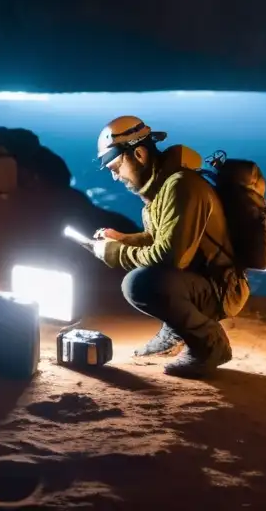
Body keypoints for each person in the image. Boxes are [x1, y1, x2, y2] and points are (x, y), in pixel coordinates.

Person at [85, 115, 250, 379]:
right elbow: (159, 238)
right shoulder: (160, 189)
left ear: (138, 154)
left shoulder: (181, 186)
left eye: (116, 167)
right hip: (201, 280)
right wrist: (123, 239)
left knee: (140, 284)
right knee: (149, 277)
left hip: (221, 287)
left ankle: (209, 345)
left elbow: (169, 257)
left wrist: (115, 253)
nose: (115, 177)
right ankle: (176, 331)